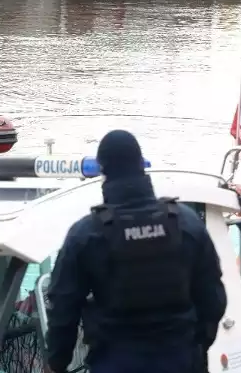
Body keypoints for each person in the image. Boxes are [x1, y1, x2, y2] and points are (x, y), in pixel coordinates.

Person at [45, 130, 227, 373]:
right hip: (180, 359)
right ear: (141, 164)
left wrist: (56, 363)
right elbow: (213, 299)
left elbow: (62, 309)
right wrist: (195, 345)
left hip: (115, 362)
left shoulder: (86, 235)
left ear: (102, 170)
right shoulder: (186, 223)